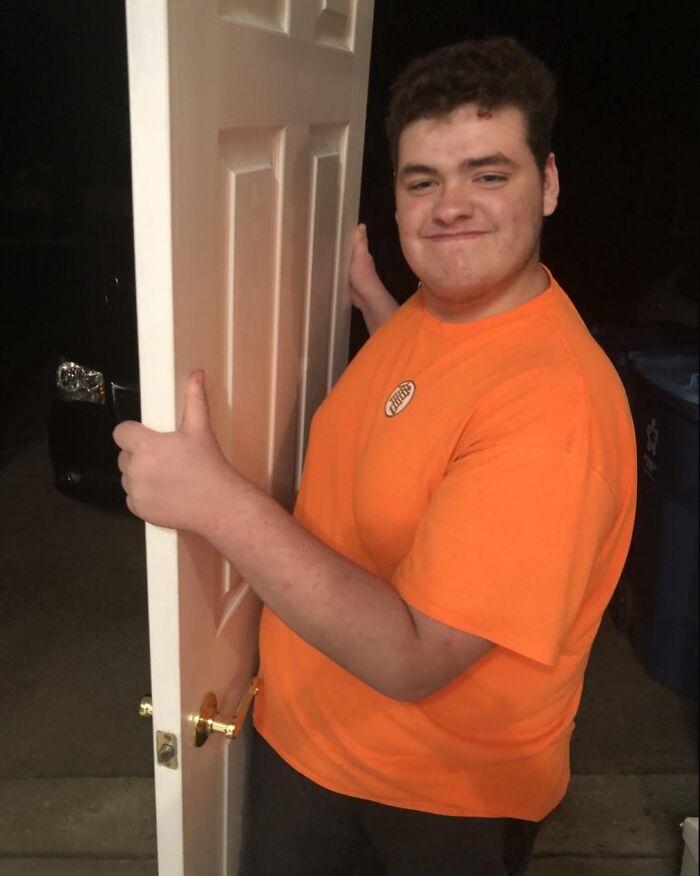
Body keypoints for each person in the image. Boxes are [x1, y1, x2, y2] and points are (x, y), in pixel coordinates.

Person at [114, 36, 637, 875]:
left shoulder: (553, 412)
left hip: (426, 802)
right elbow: (439, 398)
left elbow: (413, 656)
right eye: (421, 181)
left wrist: (211, 499)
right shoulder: (440, 315)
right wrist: (375, 303)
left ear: (548, 183)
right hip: (306, 743)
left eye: (488, 174)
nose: (450, 205)